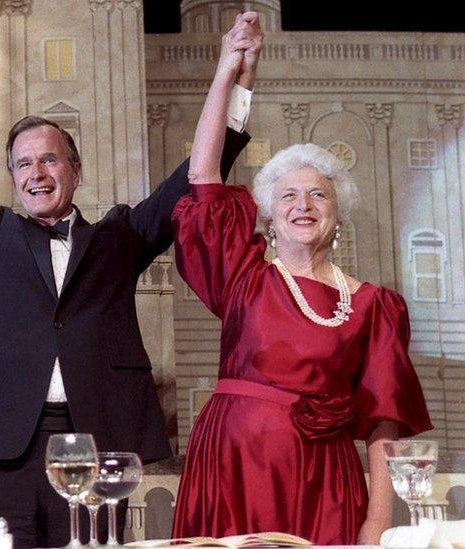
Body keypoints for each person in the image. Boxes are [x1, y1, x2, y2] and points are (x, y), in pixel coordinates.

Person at [0, 3, 258, 546]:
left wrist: (235, 79)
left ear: (75, 170)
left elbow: (194, 179)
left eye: (50, 160)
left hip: (97, 443)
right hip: (3, 448)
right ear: (11, 178)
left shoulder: (118, 239)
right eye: (24, 164)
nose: (37, 174)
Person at [171, 13, 433, 546]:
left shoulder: (374, 306)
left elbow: (385, 430)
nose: (303, 204)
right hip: (231, 467)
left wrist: (376, 525)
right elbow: (204, 176)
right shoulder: (243, 278)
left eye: (318, 194)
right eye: (287, 195)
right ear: (269, 214)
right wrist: (229, 72)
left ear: (338, 214)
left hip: (324, 482)